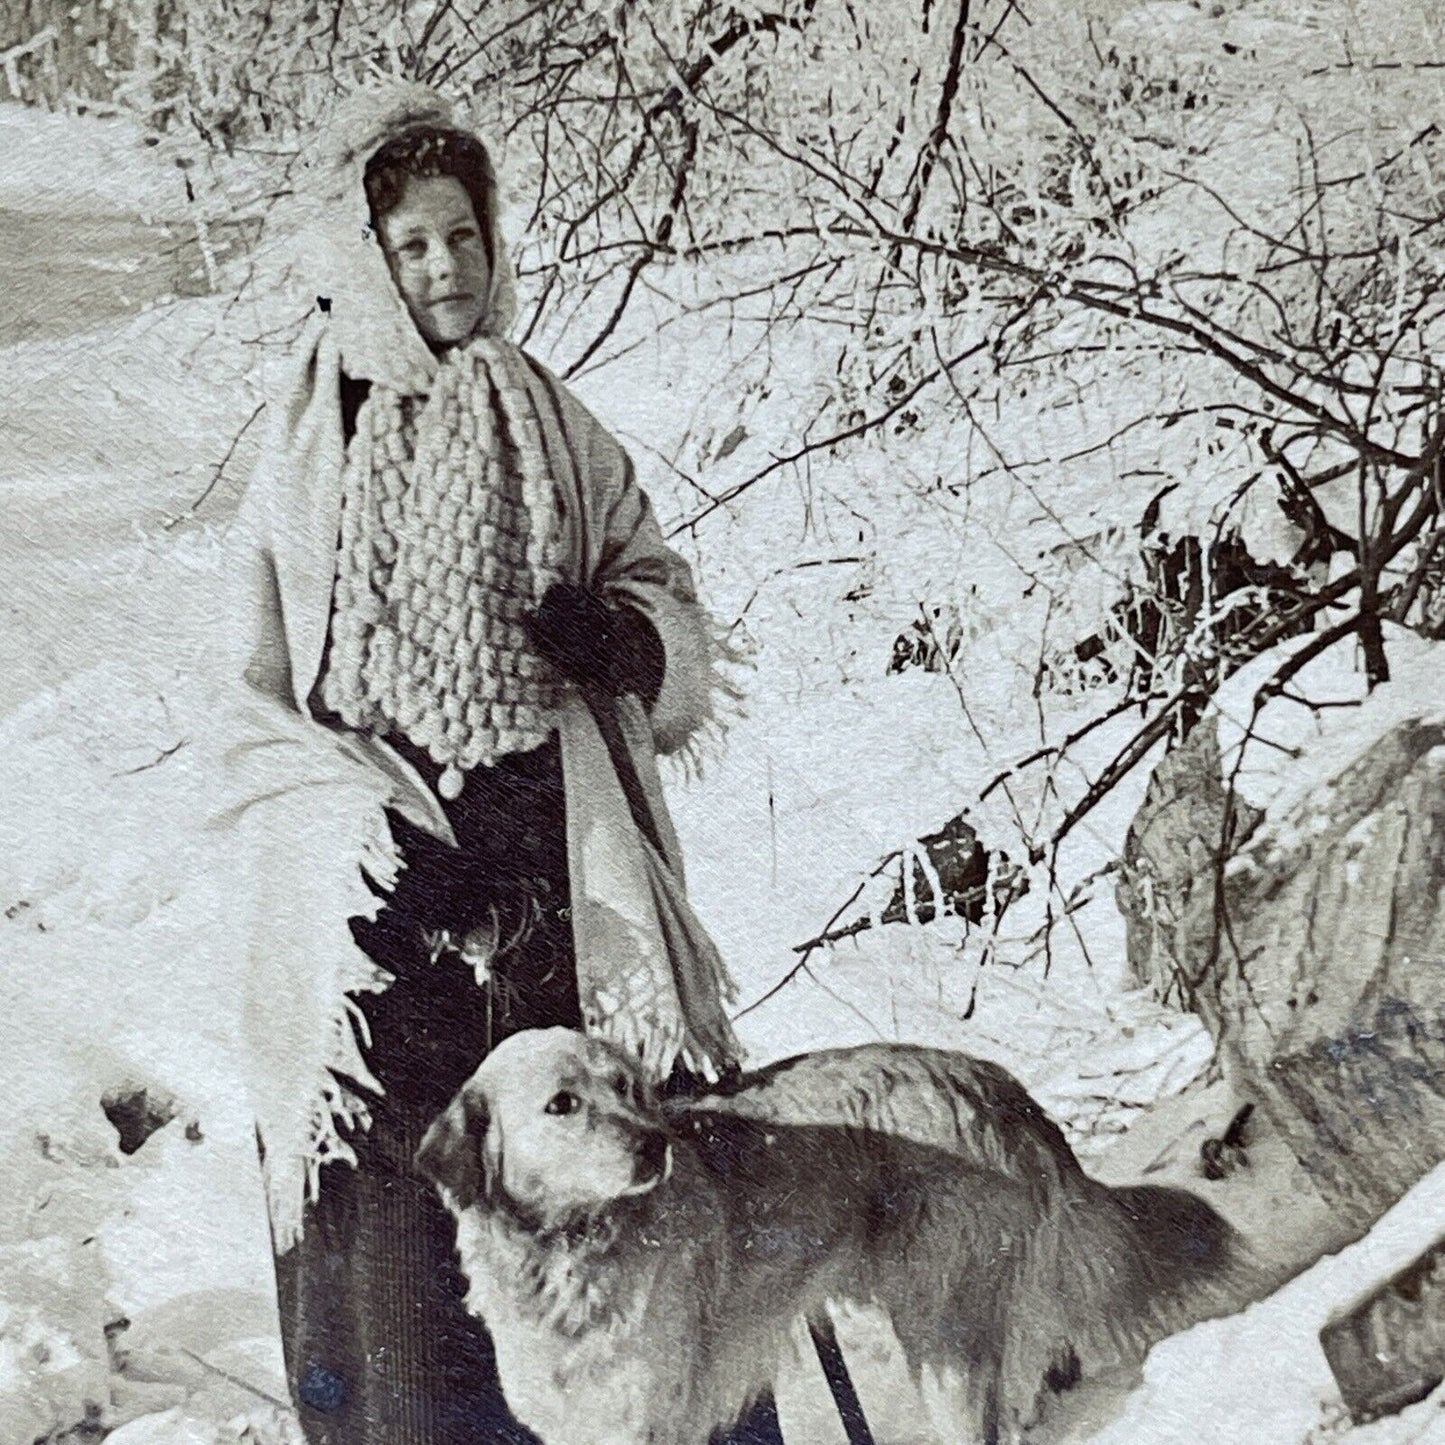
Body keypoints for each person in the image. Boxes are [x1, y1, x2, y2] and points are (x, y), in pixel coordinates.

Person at [223, 83, 759, 1444]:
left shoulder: (554, 420)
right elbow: (254, 695)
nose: (446, 267)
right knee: (410, 1210)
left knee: (595, 1170)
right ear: (366, 258)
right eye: (412, 245)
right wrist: (361, 828)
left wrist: (628, 639)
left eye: (464, 236)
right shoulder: (310, 444)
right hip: (388, 885)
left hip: (539, 860)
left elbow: (661, 587)